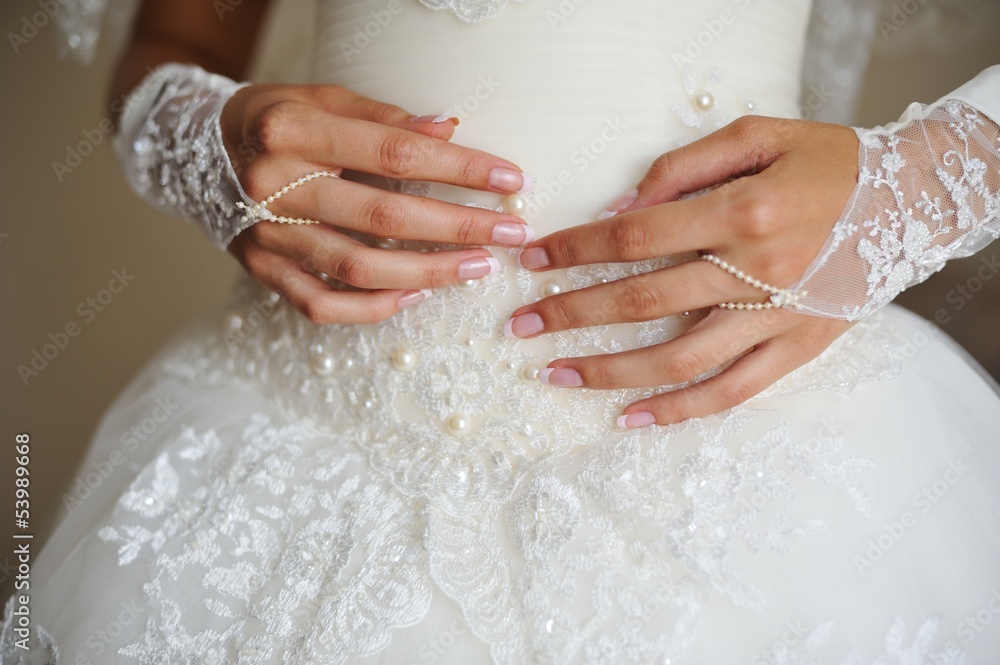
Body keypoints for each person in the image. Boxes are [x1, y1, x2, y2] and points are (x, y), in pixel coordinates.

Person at [4, 0, 1000, 662]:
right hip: (307, 423)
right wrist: (201, 137)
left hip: (759, 444)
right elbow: (177, 44)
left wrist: (912, 187)